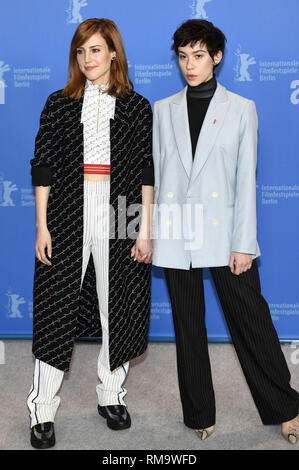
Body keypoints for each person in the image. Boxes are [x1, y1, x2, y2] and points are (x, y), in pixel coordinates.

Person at [152, 19, 299, 443]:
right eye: (182, 57)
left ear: (217, 57)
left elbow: (244, 183)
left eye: (198, 56)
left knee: (252, 321)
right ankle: (199, 413)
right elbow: (159, 179)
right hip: (178, 234)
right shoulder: (163, 110)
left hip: (224, 233)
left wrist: (243, 244)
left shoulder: (241, 108)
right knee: (188, 326)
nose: (189, 65)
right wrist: (151, 233)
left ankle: (286, 407)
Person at [27, 17, 154, 449]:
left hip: (120, 211)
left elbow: (145, 173)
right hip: (66, 212)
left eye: (96, 50)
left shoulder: (137, 106)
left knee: (116, 304)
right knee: (55, 309)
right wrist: (42, 225)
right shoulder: (58, 103)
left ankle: (110, 395)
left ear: (114, 53)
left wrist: (144, 229)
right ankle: (41, 409)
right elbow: (42, 167)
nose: (87, 59)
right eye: (80, 52)